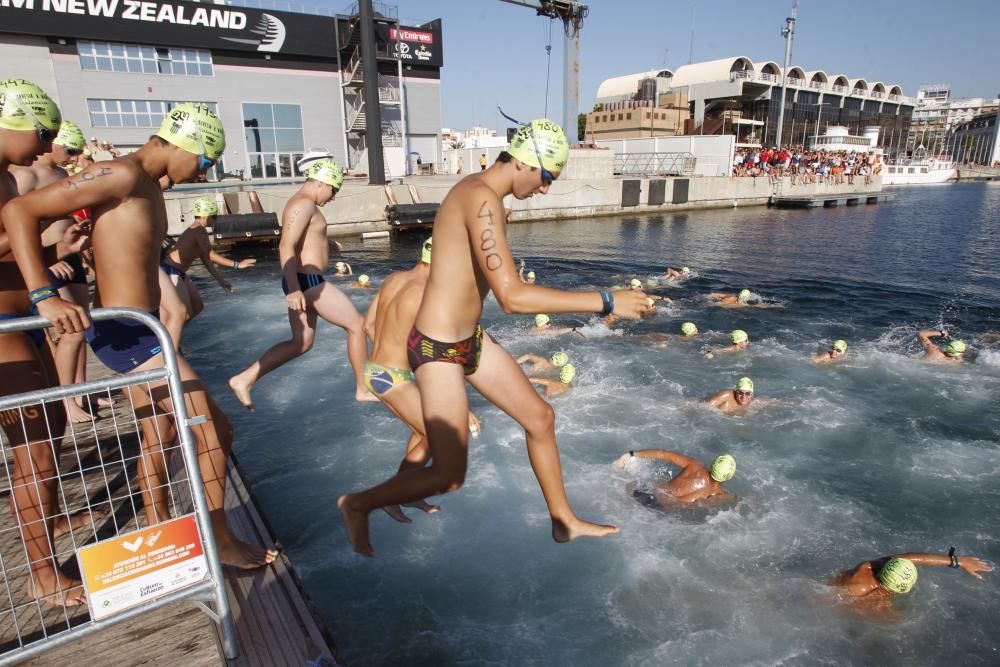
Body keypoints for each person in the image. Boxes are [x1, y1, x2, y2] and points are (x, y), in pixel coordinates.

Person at [337, 118, 650, 556]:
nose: (545, 190)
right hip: (439, 350)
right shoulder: (479, 198)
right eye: (546, 178)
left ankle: (564, 521)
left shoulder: (491, 203)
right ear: (524, 160)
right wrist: (606, 300)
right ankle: (357, 504)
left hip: (472, 342)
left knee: (540, 418)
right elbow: (512, 297)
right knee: (449, 475)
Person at [5, 101, 277, 570]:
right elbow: (19, 211)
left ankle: (164, 520)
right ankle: (220, 541)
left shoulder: (144, 184)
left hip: (138, 325)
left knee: (169, 432)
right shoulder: (121, 175)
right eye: (206, 161)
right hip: (126, 331)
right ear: (186, 145)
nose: (205, 173)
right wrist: (43, 294)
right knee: (212, 429)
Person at [0, 78, 91, 606]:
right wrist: (42, 290)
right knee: (32, 452)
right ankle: (41, 575)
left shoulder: (4, 177)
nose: (45, 144)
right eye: (41, 132)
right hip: (3, 327)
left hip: (19, 321)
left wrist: (52, 240)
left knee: (51, 428)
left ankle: (50, 521)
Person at [229, 158, 373, 409]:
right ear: (321, 183)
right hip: (308, 282)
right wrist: (294, 288)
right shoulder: (304, 204)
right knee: (357, 326)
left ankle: (245, 379)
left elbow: (302, 241)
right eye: (334, 190)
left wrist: (326, 246)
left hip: (304, 281)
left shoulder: (303, 204)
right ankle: (362, 388)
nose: (333, 197)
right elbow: (286, 245)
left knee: (301, 343)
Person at [360, 236, 479, 521]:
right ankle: (393, 496)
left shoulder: (393, 279)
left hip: (376, 371)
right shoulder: (428, 295)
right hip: (394, 378)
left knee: (422, 432)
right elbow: (437, 357)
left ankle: (408, 494)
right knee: (438, 437)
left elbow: (368, 326)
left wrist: (388, 352)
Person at [11, 118, 94, 423]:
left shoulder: (59, 174)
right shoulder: (22, 175)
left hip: (66, 254)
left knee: (81, 328)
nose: (72, 156)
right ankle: (66, 402)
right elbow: (20, 226)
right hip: (48, 263)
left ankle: (80, 394)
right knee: (69, 333)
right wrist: (45, 258)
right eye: (69, 149)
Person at [158, 196, 253, 347]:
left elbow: (206, 259)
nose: (215, 220)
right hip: (170, 271)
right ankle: (168, 346)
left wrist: (221, 280)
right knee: (181, 313)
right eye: (213, 217)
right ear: (204, 216)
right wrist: (237, 265)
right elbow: (211, 255)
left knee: (197, 306)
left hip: (178, 272)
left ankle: (170, 337)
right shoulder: (200, 231)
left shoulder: (196, 230)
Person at [831, 550, 991, 615]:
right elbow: (833, 603)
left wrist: (957, 561)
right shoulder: (860, 592)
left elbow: (912, 557)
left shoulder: (874, 565)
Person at [615, 450, 736, 507]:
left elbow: (664, 454)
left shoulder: (696, 467)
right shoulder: (717, 495)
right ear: (729, 477)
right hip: (658, 509)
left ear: (713, 465)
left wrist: (632, 454)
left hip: (647, 494)